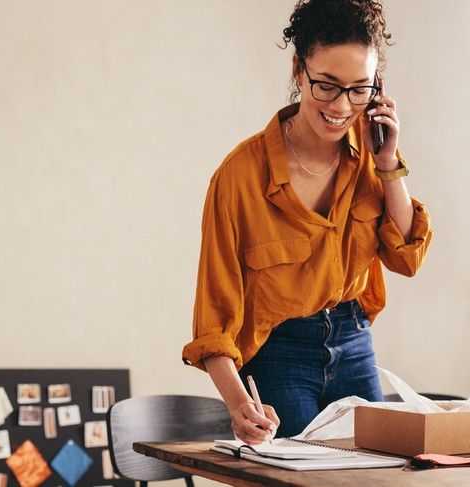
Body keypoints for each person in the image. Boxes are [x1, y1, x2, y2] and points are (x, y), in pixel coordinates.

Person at [182, 0, 432, 443]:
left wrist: (389, 160)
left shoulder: (372, 156)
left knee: (379, 474)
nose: (342, 106)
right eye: (327, 86)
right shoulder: (240, 177)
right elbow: (214, 321)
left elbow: (407, 256)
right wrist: (241, 406)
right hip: (280, 355)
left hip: (354, 342)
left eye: (360, 89)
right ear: (299, 70)